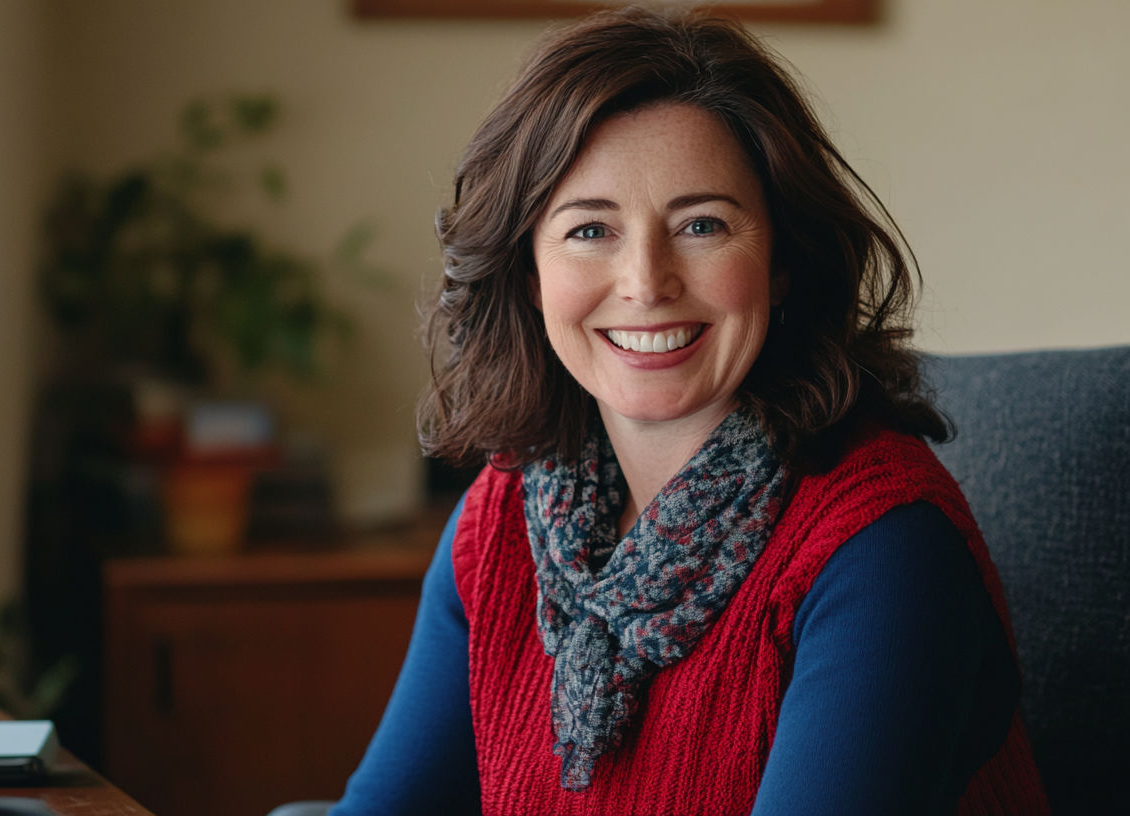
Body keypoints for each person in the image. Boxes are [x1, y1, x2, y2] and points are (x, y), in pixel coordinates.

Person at [327, 8, 1050, 816]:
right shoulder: (502, 519)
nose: (645, 281)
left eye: (701, 225)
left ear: (781, 263)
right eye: (590, 229)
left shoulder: (884, 547)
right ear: (530, 276)